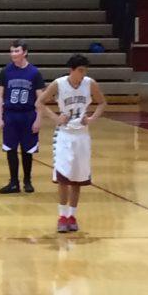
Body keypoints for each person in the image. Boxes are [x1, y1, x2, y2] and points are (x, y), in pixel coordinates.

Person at [35, 55, 107, 233]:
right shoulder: (58, 84)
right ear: (72, 70)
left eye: (85, 71)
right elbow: (39, 102)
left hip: (82, 135)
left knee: (78, 178)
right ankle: (62, 216)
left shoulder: (90, 83)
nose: (83, 74)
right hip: (64, 135)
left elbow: (102, 103)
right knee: (63, 178)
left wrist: (91, 119)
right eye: (80, 70)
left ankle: (72, 216)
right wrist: (55, 118)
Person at [0, 40, 45, 194]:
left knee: (27, 150)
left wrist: (39, 118)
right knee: (10, 149)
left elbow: (40, 98)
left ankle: (27, 181)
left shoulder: (34, 73)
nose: (13, 54)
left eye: (16, 51)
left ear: (25, 52)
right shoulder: (5, 71)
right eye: (11, 51)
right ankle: (13, 182)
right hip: (10, 114)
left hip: (28, 115)